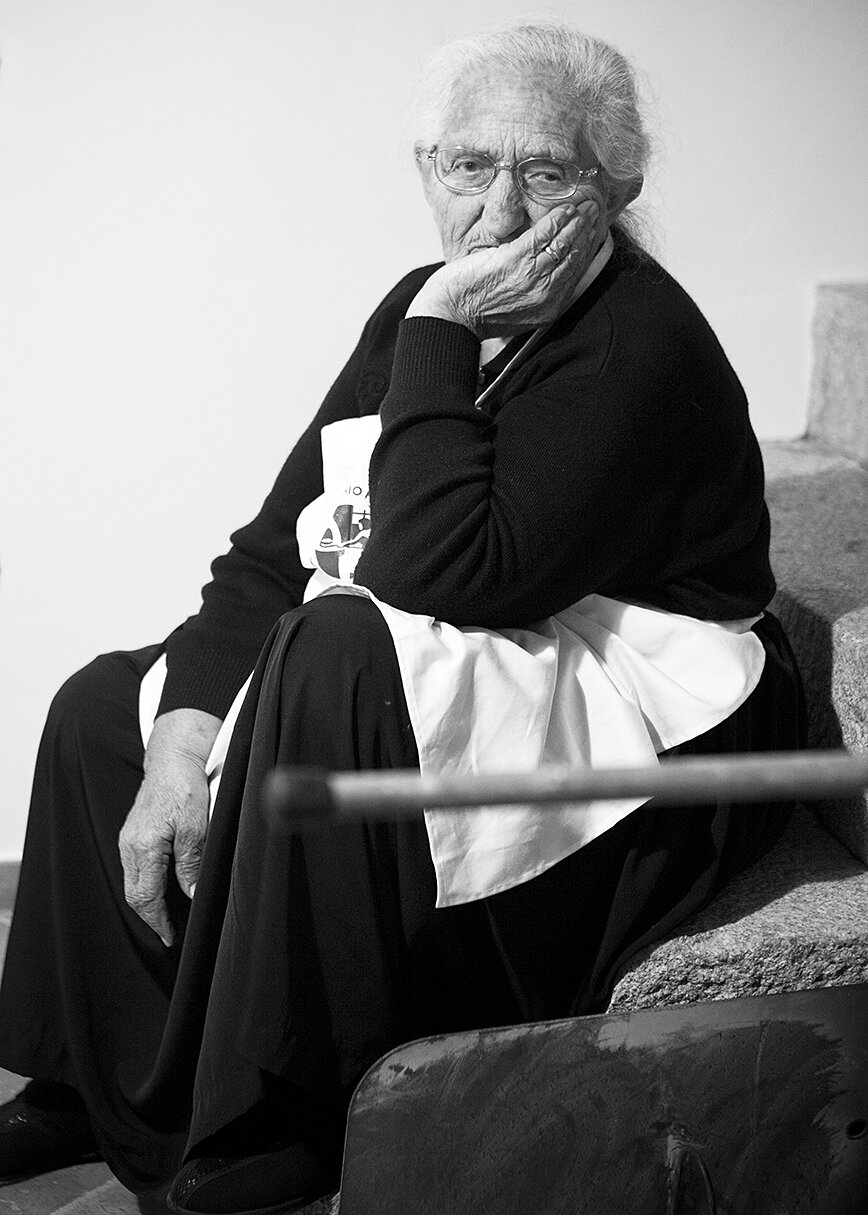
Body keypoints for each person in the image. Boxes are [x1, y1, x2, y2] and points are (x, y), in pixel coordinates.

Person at [0, 21, 804, 1215]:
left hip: (653, 707)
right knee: (107, 709)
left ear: (618, 188)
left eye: (547, 172)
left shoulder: (639, 342)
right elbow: (278, 548)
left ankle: (282, 1108)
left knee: (333, 654)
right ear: (427, 169)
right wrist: (180, 741)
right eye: (471, 165)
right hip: (495, 626)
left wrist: (443, 322)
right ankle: (101, 1065)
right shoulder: (420, 309)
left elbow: (448, 572)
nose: (501, 211)